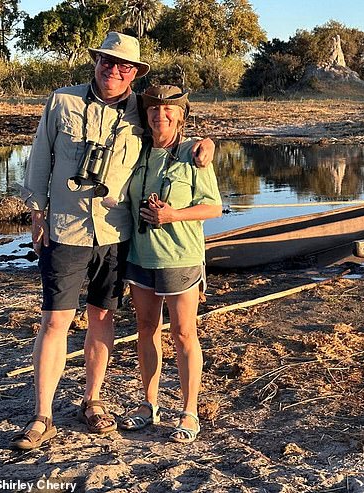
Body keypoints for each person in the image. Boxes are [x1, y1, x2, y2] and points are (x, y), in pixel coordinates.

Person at [11, 33, 215, 450]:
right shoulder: (62, 101)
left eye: (125, 66)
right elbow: (39, 158)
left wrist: (208, 144)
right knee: (54, 321)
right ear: (96, 62)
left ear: (135, 73)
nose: (115, 70)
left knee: (102, 318)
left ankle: (93, 400)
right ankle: (42, 416)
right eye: (108, 61)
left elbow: (175, 128)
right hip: (65, 228)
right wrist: (36, 213)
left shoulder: (140, 110)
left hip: (116, 233)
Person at [119, 85, 222, 444]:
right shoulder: (136, 152)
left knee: (183, 333)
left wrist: (173, 215)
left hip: (181, 258)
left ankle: (189, 411)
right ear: (146, 115)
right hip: (140, 257)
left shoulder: (193, 155)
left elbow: (214, 208)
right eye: (154, 110)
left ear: (180, 116)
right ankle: (148, 405)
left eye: (168, 111)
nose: (160, 116)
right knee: (146, 329)